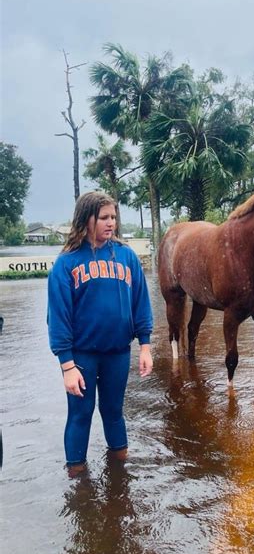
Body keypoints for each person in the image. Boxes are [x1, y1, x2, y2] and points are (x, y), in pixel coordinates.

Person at [47, 191, 153, 477]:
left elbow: (141, 302)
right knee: (80, 415)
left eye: (114, 217)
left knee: (114, 411)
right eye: (104, 217)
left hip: (118, 352)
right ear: (86, 219)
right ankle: (77, 480)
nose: (111, 223)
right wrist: (67, 365)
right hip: (81, 356)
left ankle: (120, 473)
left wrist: (145, 346)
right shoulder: (66, 263)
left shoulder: (127, 257)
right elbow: (57, 319)